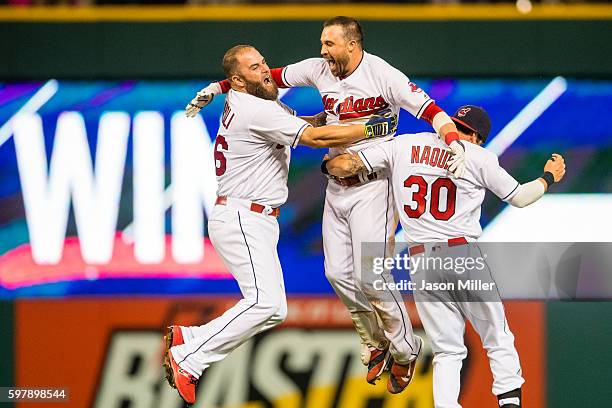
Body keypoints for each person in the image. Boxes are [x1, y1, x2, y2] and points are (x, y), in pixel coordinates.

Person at [184, 16, 465, 393]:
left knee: (371, 277)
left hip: (374, 186)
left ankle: (403, 350)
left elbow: (429, 109)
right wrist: (219, 87)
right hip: (336, 185)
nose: (322, 50)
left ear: (352, 44)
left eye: (329, 43)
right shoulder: (320, 69)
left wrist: (453, 139)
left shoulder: (382, 74)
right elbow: (271, 76)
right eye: (322, 43)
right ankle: (375, 342)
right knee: (336, 273)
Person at [162, 44, 398, 405]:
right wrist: (372, 127)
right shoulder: (254, 109)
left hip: (252, 217)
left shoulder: (257, 102)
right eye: (255, 68)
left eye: (264, 63)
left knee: (272, 307)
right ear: (238, 80)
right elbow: (316, 139)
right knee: (265, 304)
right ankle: (188, 359)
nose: (265, 71)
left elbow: (309, 125)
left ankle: (190, 340)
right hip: (243, 216)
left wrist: (337, 117)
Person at [324, 105, 566, 408]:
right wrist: (548, 177)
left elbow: (347, 165)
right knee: (496, 335)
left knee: (447, 351)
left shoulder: (406, 145)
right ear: (476, 136)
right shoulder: (478, 156)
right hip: (461, 253)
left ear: (450, 124)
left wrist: (329, 163)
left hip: (421, 262)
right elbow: (520, 197)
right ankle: (509, 402)